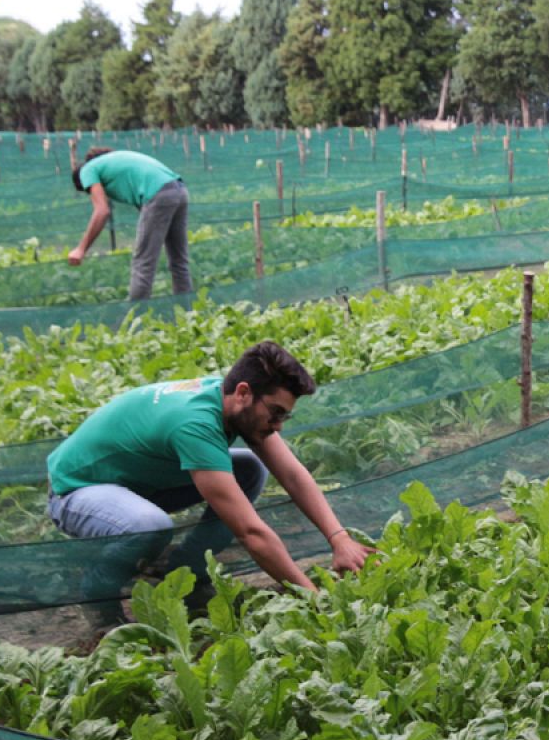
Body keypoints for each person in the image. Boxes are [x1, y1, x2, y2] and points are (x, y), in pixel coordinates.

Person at [46, 341, 373, 621]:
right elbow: (251, 533)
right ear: (243, 392)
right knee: (150, 526)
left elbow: (292, 475)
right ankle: (97, 593)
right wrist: (313, 597)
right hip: (77, 490)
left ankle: (184, 575)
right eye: (275, 413)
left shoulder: (231, 400)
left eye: (285, 416)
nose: (279, 426)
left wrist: (339, 539)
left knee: (249, 469)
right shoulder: (196, 424)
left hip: (137, 482)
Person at [70, 147, 193, 300]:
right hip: (179, 190)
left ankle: (137, 313)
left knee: (143, 263)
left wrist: (81, 249)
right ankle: (187, 310)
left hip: (159, 194)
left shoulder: (87, 170)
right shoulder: (113, 162)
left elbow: (102, 211)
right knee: (179, 260)